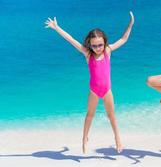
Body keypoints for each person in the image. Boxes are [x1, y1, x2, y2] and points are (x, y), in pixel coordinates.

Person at [45, 11, 134, 153]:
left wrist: (130, 24)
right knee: (89, 115)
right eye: (94, 46)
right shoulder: (88, 54)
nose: (97, 48)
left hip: (107, 90)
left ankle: (118, 139)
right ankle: (84, 138)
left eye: (100, 45)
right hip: (94, 90)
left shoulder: (108, 51)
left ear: (104, 42)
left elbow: (123, 39)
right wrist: (57, 28)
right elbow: (71, 40)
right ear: (90, 45)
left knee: (112, 115)